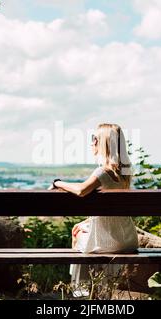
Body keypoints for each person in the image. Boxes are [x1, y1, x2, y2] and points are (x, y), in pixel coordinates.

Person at [48, 123, 139, 297]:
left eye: (94, 139)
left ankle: (82, 291)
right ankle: (101, 289)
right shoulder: (124, 173)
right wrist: (86, 223)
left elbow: (81, 190)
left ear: (102, 143)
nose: (91, 143)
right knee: (80, 229)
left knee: (77, 235)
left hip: (110, 241)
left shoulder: (103, 172)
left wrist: (57, 183)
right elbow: (112, 212)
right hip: (128, 238)